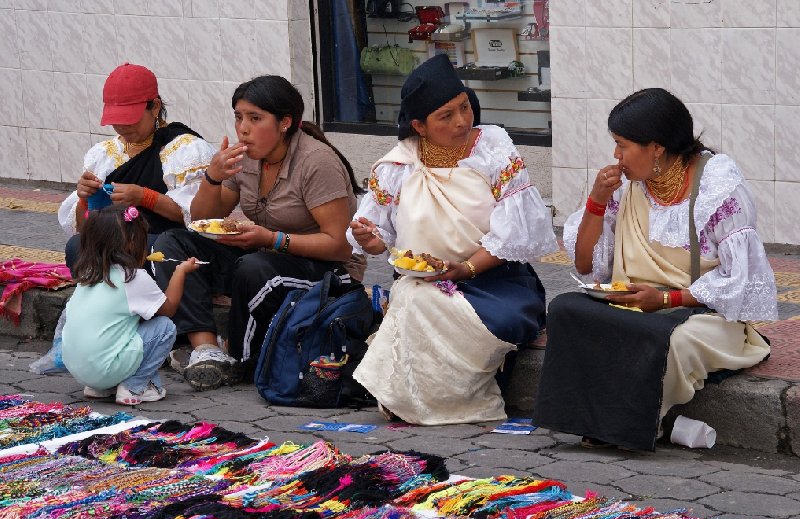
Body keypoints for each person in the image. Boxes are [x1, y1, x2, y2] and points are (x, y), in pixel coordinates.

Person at [533, 88, 777, 451]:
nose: (615, 155)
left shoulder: (717, 188)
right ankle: (637, 422)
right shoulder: (625, 186)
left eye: (622, 145)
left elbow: (740, 282)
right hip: (633, 303)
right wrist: (596, 201)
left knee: (673, 341)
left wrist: (666, 298)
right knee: (567, 309)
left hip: (700, 313)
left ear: (657, 147)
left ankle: (629, 422)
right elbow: (585, 264)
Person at [348, 54, 558, 426]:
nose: (462, 121)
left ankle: (440, 401)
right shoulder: (397, 167)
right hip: (424, 283)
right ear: (420, 126)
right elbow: (381, 239)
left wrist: (465, 268)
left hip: (497, 281)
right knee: (413, 298)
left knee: (486, 317)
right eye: (446, 116)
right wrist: (369, 239)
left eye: (464, 108)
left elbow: (517, 233)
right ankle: (418, 401)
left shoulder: (493, 149)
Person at [154, 75, 366, 392]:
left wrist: (272, 239)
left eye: (255, 118)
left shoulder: (316, 161)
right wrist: (212, 177)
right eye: (239, 117)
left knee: (254, 268)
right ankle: (207, 350)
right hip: (265, 255)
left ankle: (241, 359)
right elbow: (201, 218)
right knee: (172, 244)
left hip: (327, 272)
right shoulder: (245, 158)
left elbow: (339, 246)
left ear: (284, 122)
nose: (243, 128)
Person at [57, 63, 215, 275]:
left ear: (155, 106)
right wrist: (85, 199)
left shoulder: (186, 150)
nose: (122, 127)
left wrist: (144, 197)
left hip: (168, 242)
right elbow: (85, 228)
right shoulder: (102, 155)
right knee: (77, 246)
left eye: (130, 119)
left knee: (146, 248)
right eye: (116, 121)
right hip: (117, 239)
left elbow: (199, 215)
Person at [61, 205, 199, 406]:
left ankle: (99, 388)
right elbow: (168, 309)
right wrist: (180, 272)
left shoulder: (88, 274)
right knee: (164, 328)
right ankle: (134, 386)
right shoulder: (132, 278)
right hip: (105, 368)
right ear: (132, 243)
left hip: (79, 370)